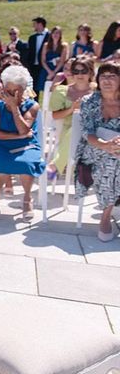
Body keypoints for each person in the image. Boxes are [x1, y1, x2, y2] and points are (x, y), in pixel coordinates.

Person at [0, 65, 46, 222]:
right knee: (1, 162)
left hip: (28, 146)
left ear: (23, 89)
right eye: (8, 90)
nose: (12, 94)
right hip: (3, 145)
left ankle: (27, 198)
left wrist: (14, 108)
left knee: (26, 163)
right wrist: (16, 137)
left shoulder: (32, 106)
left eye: (16, 91)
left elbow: (24, 129)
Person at [75, 62, 120, 242]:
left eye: (112, 76)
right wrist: (105, 145)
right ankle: (105, 217)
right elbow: (87, 132)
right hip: (93, 148)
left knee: (114, 159)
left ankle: (107, 213)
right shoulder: (89, 101)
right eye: (103, 76)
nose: (107, 80)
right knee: (112, 159)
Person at [47, 56, 94, 179]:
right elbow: (55, 115)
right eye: (76, 71)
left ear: (91, 72)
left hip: (95, 131)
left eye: (83, 71)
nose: (80, 74)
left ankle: (55, 165)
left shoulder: (98, 90)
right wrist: (72, 109)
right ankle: (58, 165)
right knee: (77, 127)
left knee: (83, 126)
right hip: (68, 129)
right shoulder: (62, 90)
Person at [38, 26, 68, 94]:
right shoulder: (46, 45)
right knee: (46, 89)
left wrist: (54, 72)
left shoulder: (64, 46)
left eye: (57, 33)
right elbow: (43, 60)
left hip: (58, 69)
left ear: (60, 35)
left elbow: (62, 61)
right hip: (47, 69)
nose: (55, 35)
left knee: (57, 89)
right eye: (54, 33)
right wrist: (49, 72)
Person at [28, 16, 49, 93]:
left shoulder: (50, 36)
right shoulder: (32, 37)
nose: (33, 26)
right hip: (34, 66)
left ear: (40, 24)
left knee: (46, 86)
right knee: (33, 87)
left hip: (46, 66)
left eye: (35, 24)